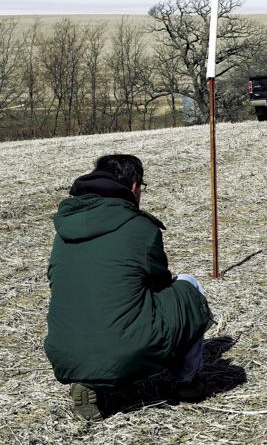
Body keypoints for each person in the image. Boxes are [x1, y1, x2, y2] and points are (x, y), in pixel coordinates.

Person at [45, 154, 213, 420]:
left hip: (62, 350)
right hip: (124, 344)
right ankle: (186, 383)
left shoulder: (63, 228)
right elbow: (159, 283)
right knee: (189, 286)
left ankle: (89, 380)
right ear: (134, 186)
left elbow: (56, 279)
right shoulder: (140, 226)